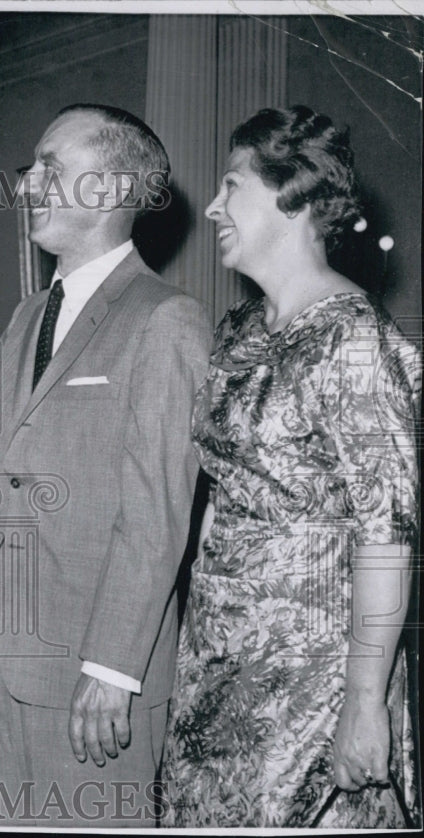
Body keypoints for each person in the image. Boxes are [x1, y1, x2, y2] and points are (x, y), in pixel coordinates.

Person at [0, 104, 211, 827]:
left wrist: (113, 668)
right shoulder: (33, 313)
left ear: (112, 190)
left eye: (49, 169)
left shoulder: (166, 318)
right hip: (5, 653)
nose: (27, 184)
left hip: (95, 674)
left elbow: (157, 514)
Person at [161, 106, 421, 828]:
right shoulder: (240, 329)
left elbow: (387, 533)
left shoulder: (355, 342)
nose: (212, 205)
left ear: (294, 196)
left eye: (231, 184)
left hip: (313, 678)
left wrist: (365, 704)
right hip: (216, 662)